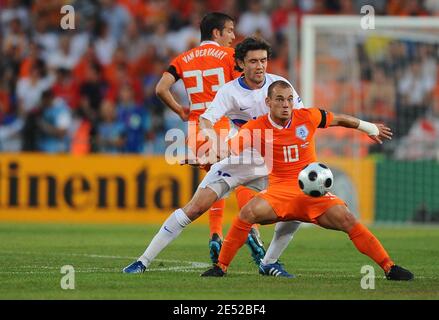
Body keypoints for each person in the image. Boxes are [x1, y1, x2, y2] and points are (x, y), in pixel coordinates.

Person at [122, 37, 303, 275]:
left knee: (299, 205)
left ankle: (269, 262)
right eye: (253, 61)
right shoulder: (230, 91)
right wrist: (216, 146)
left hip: (274, 162)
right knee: (195, 208)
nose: (260, 66)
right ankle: (143, 261)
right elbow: (206, 120)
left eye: (264, 60)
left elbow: (302, 120)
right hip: (241, 159)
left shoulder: (280, 85)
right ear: (240, 63)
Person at [201, 80, 414, 281]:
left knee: (347, 218)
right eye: (280, 99)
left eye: (289, 99)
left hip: (312, 193)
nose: (286, 105)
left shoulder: (308, 116)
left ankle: (389, 267)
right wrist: (204, 157)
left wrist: (370, 128)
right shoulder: (255, 127)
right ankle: (220, 267)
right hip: (279, 192)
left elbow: (339, 119)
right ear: (268, 102)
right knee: (247, 213)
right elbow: (228, 149)